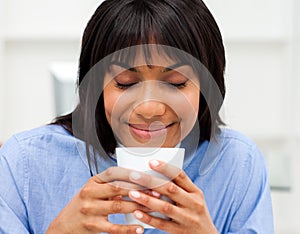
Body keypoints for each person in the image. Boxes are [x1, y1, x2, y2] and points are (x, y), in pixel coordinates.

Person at [0, 0, 274, 233]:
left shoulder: (238, 164)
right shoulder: (25, 163)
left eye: (176, 83)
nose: (149, 109)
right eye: (125, 82)